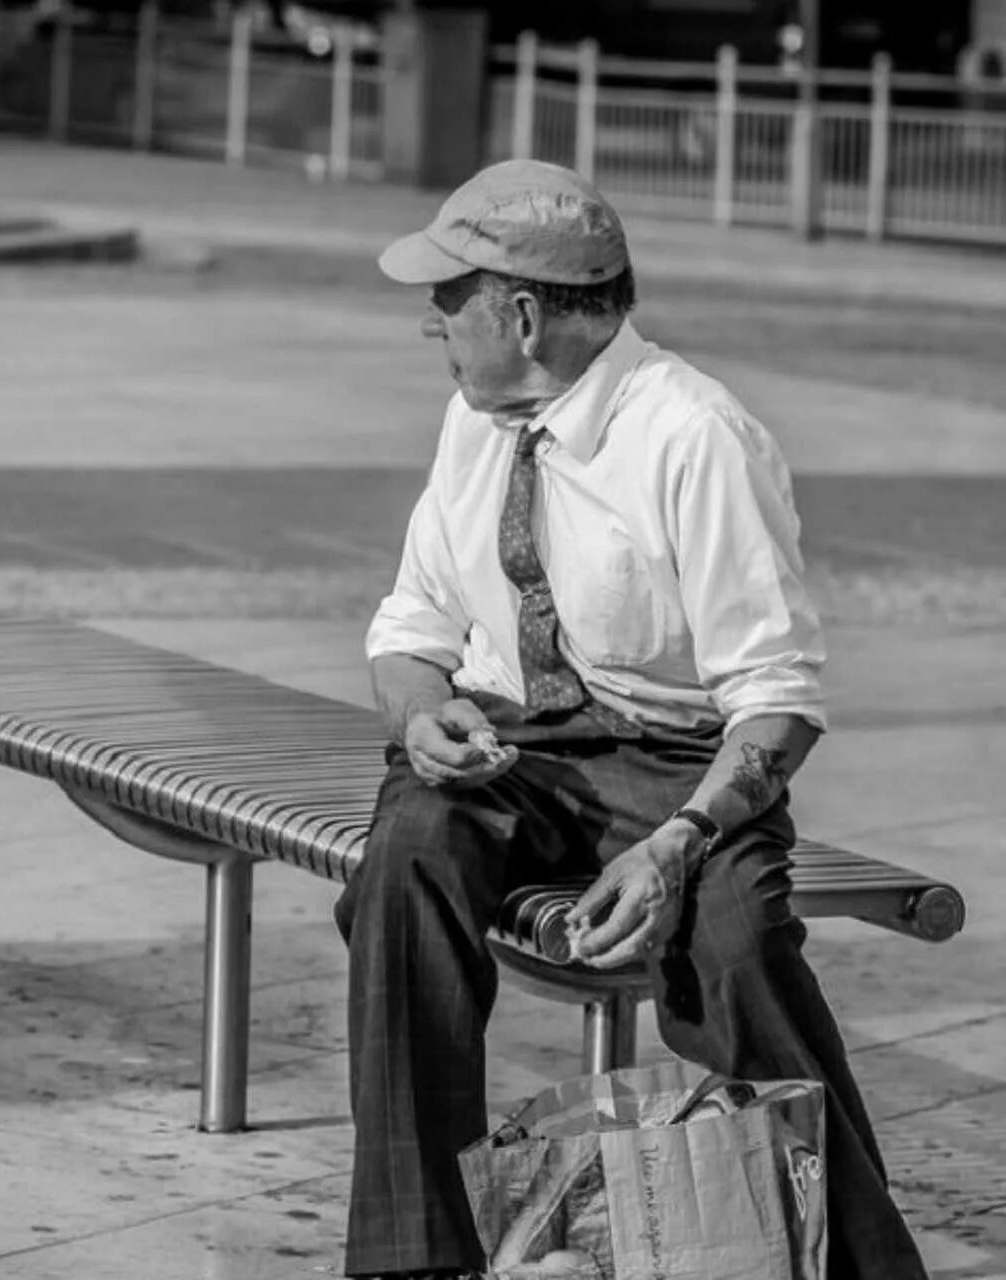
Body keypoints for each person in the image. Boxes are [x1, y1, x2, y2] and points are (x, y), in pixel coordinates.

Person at [334, 159, 926, 1280]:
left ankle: (861, 1261)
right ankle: (414, 1259)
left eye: (448, 298)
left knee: (737, 950)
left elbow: (778, 697)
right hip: (513, 750)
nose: (431, 323)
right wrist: (421, 714)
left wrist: (680, 842)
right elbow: (410, 623)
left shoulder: (697, 435)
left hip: (680, 771)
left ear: (522, 313)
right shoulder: (476, 421)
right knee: (403, 861)